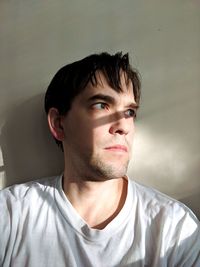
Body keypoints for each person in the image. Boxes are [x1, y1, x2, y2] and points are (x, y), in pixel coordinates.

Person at [0, 52, 199, 267]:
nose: (123, 125)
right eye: (101, 105)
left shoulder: (175, 229)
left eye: (130, 112)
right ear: (58, 124)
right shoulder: (11, 217)